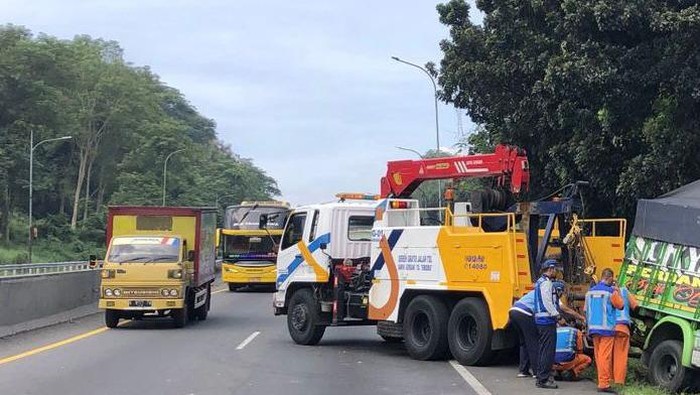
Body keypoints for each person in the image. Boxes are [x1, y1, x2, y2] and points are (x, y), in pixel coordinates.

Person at [585, 268, 625, 393]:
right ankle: (604, 384)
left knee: (598, 356)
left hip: (593, 328)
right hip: (607, 329)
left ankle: (601, 380)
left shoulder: (589, 292)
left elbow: (586, 310)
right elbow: (621, 305)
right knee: (605, 357)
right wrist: (618, 291)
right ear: (609, 278)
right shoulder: (611, 292)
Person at [533, 259, 562, 389]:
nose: (556, 271)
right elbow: (548, 302)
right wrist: (557, 315)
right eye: (555, 269)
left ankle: (541, 377)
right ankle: (543, 379)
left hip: (541, 320)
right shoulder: (547, 283)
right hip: (547, 320)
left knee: (544, 349)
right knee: (548, 351)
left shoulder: (540, 282)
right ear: (550, 269)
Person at [508, 289, 538, 378]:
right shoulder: (547, 292)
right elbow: (561, 307)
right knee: (533, 342)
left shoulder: (534, 291)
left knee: (524, 342)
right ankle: (537, 371)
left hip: (513, 311)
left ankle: (523, 371)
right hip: (524, 312)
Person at [613, 284, 639, 386]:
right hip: (623, 327)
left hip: (610, 327)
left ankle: (609, 378)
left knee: (608, 354)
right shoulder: (624, 290)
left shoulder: (607, 292)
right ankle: (619, 381)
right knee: (621, 355)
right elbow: (635, 306)